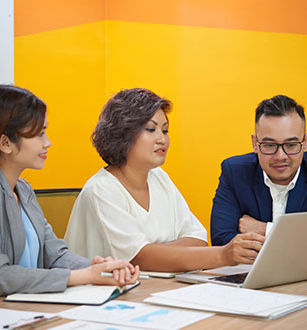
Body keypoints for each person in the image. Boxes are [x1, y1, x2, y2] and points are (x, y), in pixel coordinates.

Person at [65, 88, 264, 272]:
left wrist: (157, 253)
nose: (163, 139)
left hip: (156, 288)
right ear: (123, 133)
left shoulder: (159, 178)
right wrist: (222, 255)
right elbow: (140, 258)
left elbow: (199, 239)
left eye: (165, 130)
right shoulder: (101, 190)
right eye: (151, 130)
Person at [0, 84, 139, 297]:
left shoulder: (23, 189)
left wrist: (97, 267)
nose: (48, 143)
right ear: (5, 142)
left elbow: (55, 255)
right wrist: (84, 276)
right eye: (39, 134)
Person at [211, 95, 307, 246]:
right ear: (255, 143)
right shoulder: (234, 172)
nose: (280, 156)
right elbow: (222, 240)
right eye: (269, 145)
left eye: (291, 145)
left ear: (305, 143)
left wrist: (265, 229)